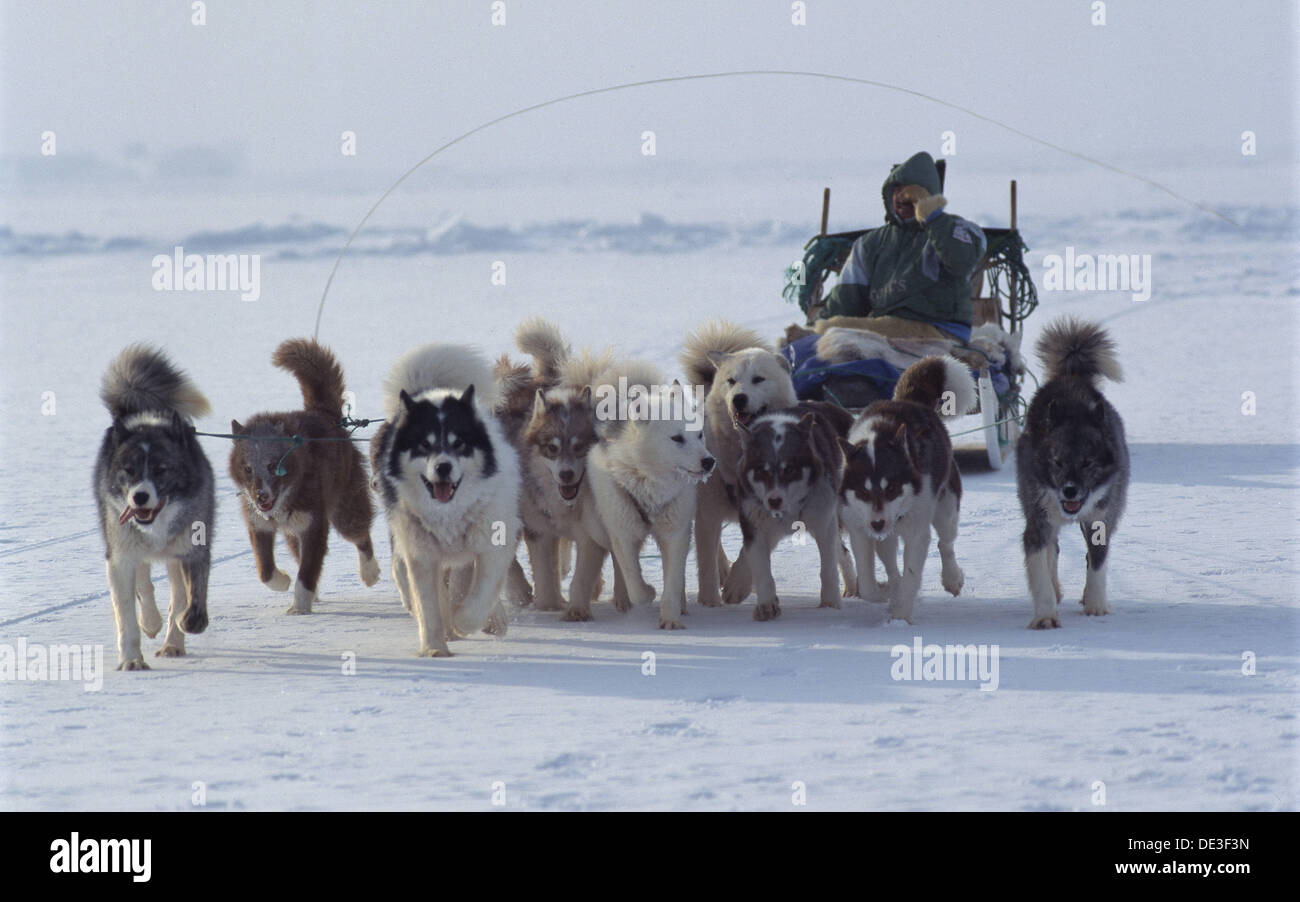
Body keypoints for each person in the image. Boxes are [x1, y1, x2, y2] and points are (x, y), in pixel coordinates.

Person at [818, 151, 986, 343]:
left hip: (941, 331)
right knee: (822, 347)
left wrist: (932, 215)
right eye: (895, 189)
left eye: (910, 190)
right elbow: (845, 301)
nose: (901, 196)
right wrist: (815, 331)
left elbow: (960, 261)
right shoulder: (869, 245)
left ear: (927, 192)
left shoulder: (959, 230)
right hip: (885, 331)